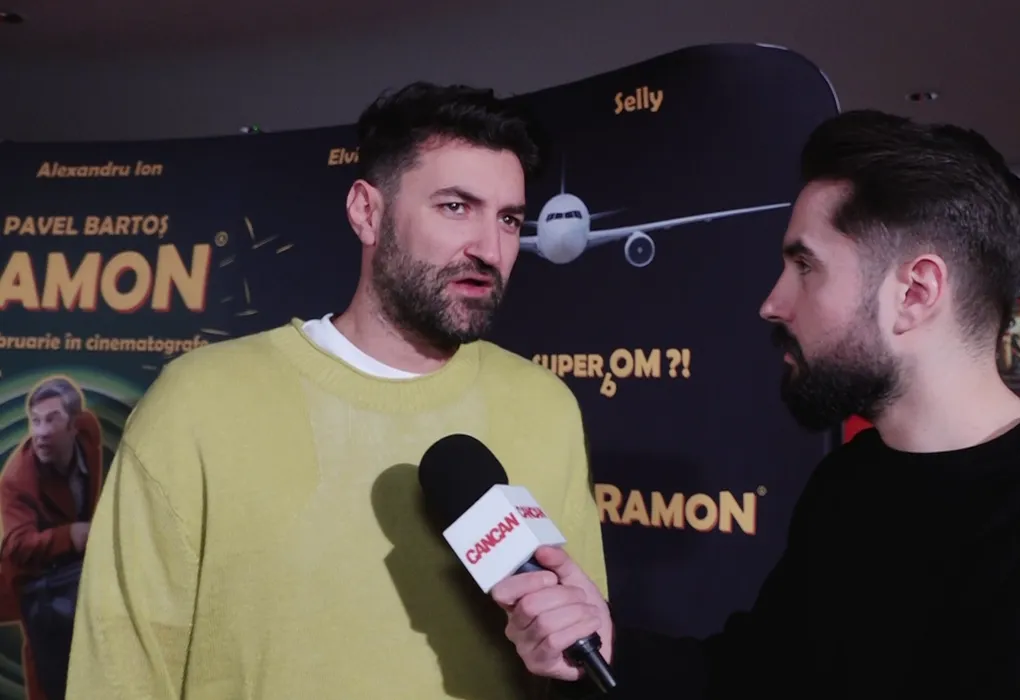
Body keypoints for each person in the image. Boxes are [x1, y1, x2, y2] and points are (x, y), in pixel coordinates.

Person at [488, 110, 1020, 699]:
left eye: (804, 265)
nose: (772, 302)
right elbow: (757, 678)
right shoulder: (850, 480)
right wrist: (603, 644)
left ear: (915, 292)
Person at [65, 82, 608, 700]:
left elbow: (579, 646)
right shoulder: (199, 401)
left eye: (508, 218)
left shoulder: (546, 407)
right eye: (456, 207)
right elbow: (121, 666)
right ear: (366, 212)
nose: (490, 248)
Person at [0, 377, 104, 700]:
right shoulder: (16, 480)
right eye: (35, 421)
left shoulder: (89, 431)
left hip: (77, 572)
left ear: (73, 425)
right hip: (34, 582)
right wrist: (69, 535)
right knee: (48, 670)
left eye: (52, 419)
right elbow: (15, 545)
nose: (41, 432)